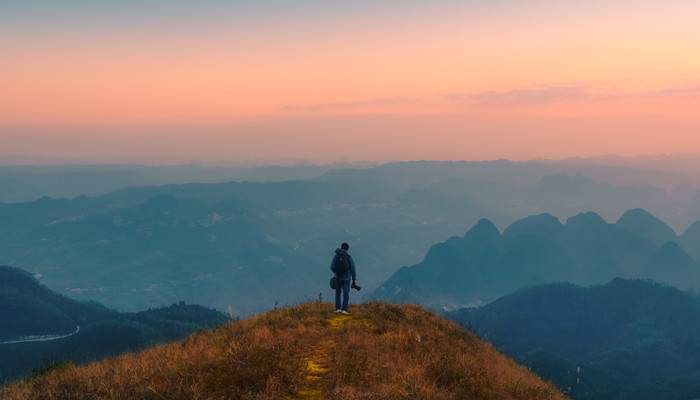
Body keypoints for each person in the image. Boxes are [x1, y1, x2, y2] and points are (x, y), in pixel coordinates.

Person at [330, 242, 357, 314]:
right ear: (347, 249)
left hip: (337, 278)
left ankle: (337, 309)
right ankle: (344, 310)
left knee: (338, 293)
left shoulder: (336, 256)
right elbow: (352, 269)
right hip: (346, 278)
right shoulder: (348, 257)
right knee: (346, 294)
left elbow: (331, 267)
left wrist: (336, 273)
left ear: (341, 248)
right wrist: (354, 279)